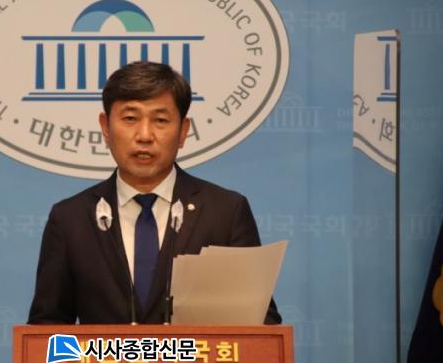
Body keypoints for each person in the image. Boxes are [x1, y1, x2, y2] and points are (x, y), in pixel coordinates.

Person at [28, 61, 281, 325]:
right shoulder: (71, 219)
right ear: (105, 126)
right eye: (130, 118)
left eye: (160, 120)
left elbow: (260, 323)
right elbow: (47, 327)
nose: (144, 135)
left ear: (183, 131)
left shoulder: (224, 212)